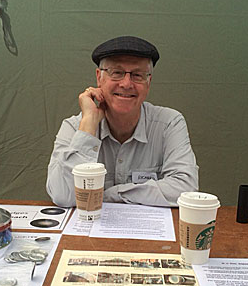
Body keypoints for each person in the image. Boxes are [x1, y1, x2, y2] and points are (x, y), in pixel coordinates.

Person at [46, 35, 198, 207]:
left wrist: (111, 194)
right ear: (99, 77)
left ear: (148, 82)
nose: (126, 84)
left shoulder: (169, 123)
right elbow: (62, 195)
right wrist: (89, 123)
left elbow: (185, 188)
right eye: (117, 73)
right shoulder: (75, 127)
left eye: (137, 75)